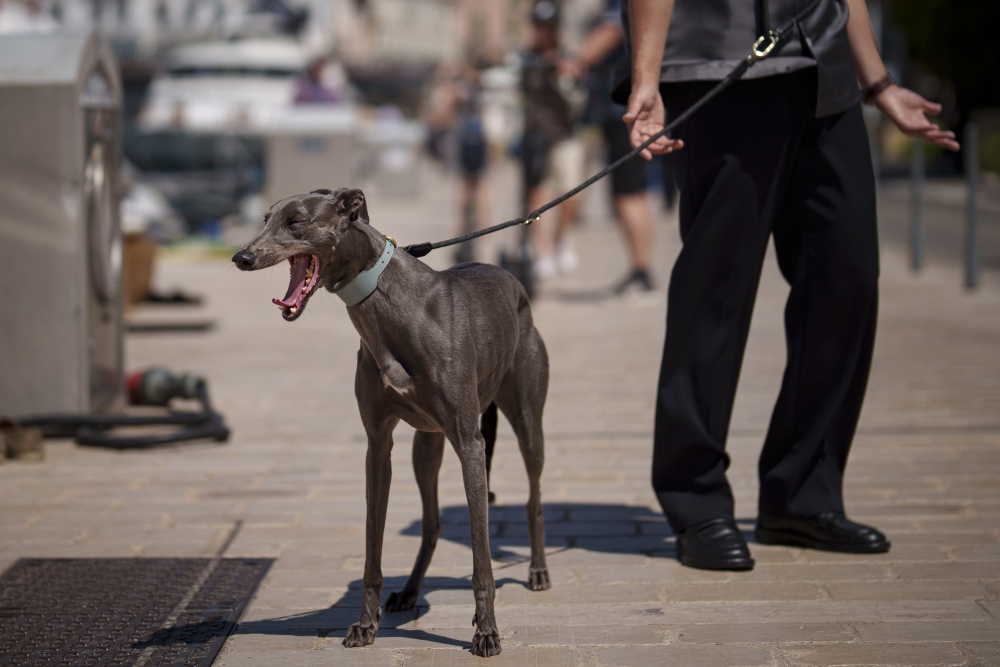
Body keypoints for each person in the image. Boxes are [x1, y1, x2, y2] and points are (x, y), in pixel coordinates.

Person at [616, 0, 959, 570]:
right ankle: (696, 499)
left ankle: (801, 494)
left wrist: (878, 83)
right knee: (717, 288)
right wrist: (646, 78)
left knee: (845, 276)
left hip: (823, 68)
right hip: (720, 67)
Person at [562, 0, 655, 294]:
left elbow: (612, 31)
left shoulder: (617, 5)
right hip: (613, 112)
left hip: (625, 112)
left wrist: (575, 61)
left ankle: (642, 272)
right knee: (625, 194)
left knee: (629, 194)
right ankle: (639, 269)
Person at [521, 0, 585, 280]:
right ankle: (544, 252)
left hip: (565, 136)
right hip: (536, 138)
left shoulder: (568, 59)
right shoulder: (526, 60)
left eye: (546, 26)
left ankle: (561, 239)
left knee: (570, 196)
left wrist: (568, 74)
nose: (541, 31)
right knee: (536, 197)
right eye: (538, 25)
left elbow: (581, 100)